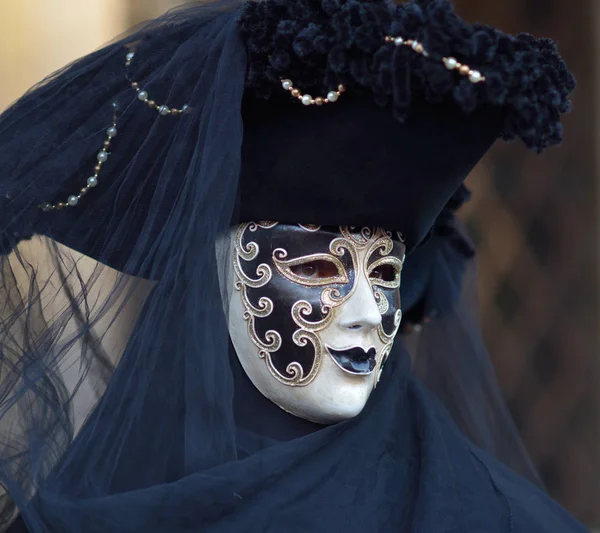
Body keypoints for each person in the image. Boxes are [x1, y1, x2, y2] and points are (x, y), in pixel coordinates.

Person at [0, 0, 587, 531]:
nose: (367, 315)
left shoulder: (494, 521)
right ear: (209, 281)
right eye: (314, 269)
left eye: (385, 275)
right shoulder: (101, 509)